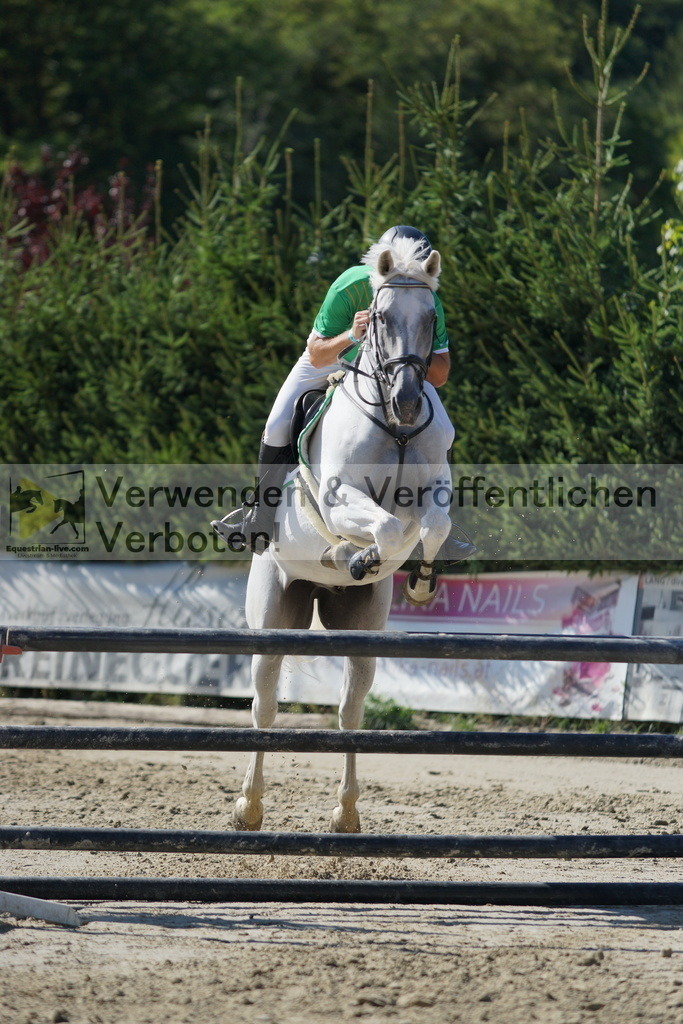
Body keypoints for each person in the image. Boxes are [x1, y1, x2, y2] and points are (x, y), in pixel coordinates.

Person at [212, 225, 451, 548]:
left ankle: (444, 528)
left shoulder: (427, 298)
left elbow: (439, 374)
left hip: (396, 365)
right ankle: (260, 519)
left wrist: (413, 347)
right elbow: (316, 352)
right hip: (334, 356)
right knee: (277, 423)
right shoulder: (350, 284)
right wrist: (352, 335)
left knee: (442, 428)